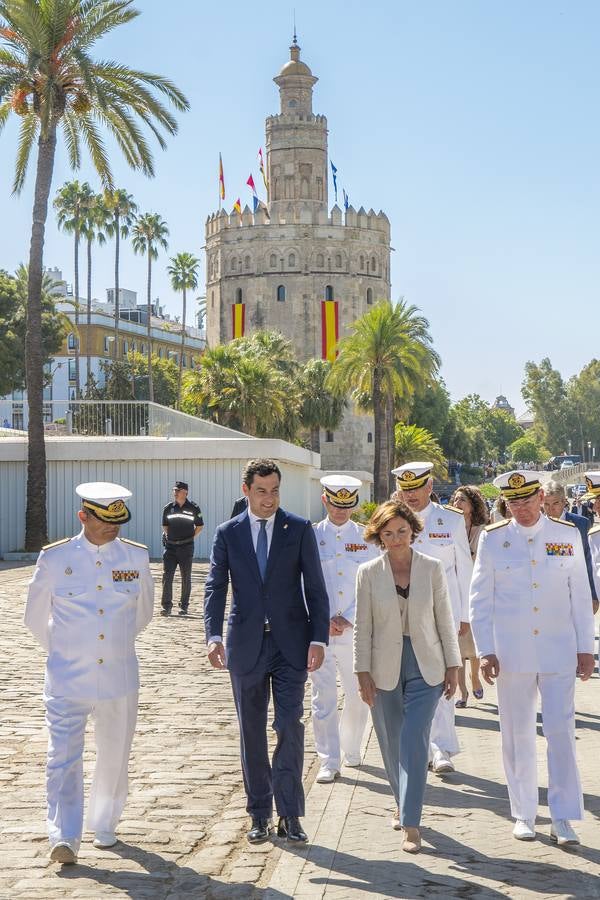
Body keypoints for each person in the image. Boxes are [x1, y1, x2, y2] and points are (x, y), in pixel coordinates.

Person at [24, 482, 155, 865]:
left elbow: (142, 614)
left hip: (118, 674)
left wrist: (111, 647)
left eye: (118, 521)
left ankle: (104, 821)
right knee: (62, 756)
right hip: (67, 678)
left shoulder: (135, 558)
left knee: (115, 753)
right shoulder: (54, 559)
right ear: (84, 516)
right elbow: (34, 619)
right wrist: (68, 650)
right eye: (104, 521)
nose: (113, 528)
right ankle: (63, 835)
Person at [204, 458, 330, 845]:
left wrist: (319, 638)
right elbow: (215, 587)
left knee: (289, 728)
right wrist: (213, 636)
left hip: (291, 646)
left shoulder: (299, 528)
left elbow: (316, 588)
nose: (269, 499)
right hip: (245, 647)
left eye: (275, 490)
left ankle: (290, 815)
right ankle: (259, 813)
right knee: (252, 733)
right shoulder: (228, 533)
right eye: (261, 491)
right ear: (246, 491)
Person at [470, 470, 595, 845]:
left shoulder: (566, 535)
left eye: (527, 500)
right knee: (517, 734)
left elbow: (580, 595)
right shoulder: (493, 541)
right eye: (513, 502)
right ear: (505, 504)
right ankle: (524, 812)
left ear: (541, 497)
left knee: (561, 733)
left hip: (558, 651)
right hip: (512, 653)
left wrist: (585, 648)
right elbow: (480, 600)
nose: (521, 509)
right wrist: (485, 650)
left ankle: (564, 816)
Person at [354, 500, 461, 853]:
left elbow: (445, 620)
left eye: (402, 531)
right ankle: (401, 803)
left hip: (426, 664)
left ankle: (411, 824)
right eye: (388, 533)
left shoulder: (431, 568)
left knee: (414, 738)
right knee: (390, 740)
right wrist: (362, 672)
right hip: (383, 666)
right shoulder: (368, 572)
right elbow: (362, 628)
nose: (397, 538)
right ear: (378, 536)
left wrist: (454, 665)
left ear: (412, 530)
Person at [391, 462, 472, 774]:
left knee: (442, 681)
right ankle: (418, 746)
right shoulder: (391, 520)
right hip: (401, 615)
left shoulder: (449, 520)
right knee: (407, 683)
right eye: (405, 488)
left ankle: (441, 748)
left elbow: (464, 568)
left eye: (417, 488)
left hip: (443, 614)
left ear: (429, 486)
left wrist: (465, 614)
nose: (411, 495)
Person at [310, 475, 379, 783]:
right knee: (322, 697)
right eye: (335, 505)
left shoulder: (367, 538)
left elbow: (373, 584)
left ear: (354, 505)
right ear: (325, 500)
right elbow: (302, 583)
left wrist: (349, 616)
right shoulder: (309, 536)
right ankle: (328, 758)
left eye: (346, 506)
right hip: (319, 630)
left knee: (357, 694)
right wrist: (320, 617)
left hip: (354, 629)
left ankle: (351, 746)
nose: (341, 512)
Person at [450, 486, 489, 707]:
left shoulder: (482, 530)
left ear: (472, 504)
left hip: (476, 591)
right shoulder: (448, 527)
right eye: (455, 499)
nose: (457, 503)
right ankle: (461, 690)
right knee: (456, 644)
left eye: (462, 499)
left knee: (472, 643)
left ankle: (475, 678)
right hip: (454, 590)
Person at [543, 480, 598, 612]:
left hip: (576, 593)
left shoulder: (581, 524)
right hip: (544, 596)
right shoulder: (534, 526)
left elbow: (588, 561)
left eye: (555, 503)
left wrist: (593, 595)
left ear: (564, 501)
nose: (551, 509)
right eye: (546, 504)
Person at [161, 480, 203, 616]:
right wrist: (171, 537)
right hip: (170, 547)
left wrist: (190, 538)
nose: (175, 493)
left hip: (186, 547)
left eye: (177, 491)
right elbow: (165, 525)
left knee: (186, 577)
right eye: (174, 490)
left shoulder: (194, 508)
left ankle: (184, 606)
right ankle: (166, 606)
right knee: (167, 576)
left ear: (185, 493)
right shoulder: (168, 508)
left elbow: (200, 526)